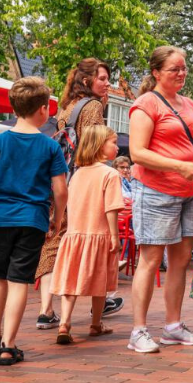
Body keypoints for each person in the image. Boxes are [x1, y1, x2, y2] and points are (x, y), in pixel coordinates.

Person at [127, 45, 193, 353]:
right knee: (151, 259)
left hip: (189, 194)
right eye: (174, 69)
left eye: (184, 68)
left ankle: (172, 326)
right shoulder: (146, 104)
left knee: (180, 262)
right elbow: (137, 153)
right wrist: (179, 166)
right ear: (156, 73)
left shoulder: (189, 105)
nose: (182, 74)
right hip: (156, 191)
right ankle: (138, 331)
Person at [36, 58, 123, 330]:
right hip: (83, 178)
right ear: (87, 81)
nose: (107, 83)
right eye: (102, 79)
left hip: (59, 180)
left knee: (54, 242)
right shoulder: (93, 106)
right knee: (87, 242)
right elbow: (93, 142)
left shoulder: (66, 107)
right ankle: (100, 298)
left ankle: (46, 310)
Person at [0, 77, 69, 365]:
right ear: (42, 110)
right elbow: (61, 191)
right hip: (32, 219)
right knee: (19, 280)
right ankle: (10, 346)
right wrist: (56, 219)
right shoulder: (49, 147)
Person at [50, 125, 124, 344]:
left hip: (75, 235)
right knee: (100, 281)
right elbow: (111, 208)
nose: (117, 147)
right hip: (99, 234)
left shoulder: (77, 174)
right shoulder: (110, 174)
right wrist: (115, 236)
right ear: (100, 147)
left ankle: (64, 322)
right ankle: (95, 324)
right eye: (113, 142)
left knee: (70, 281)